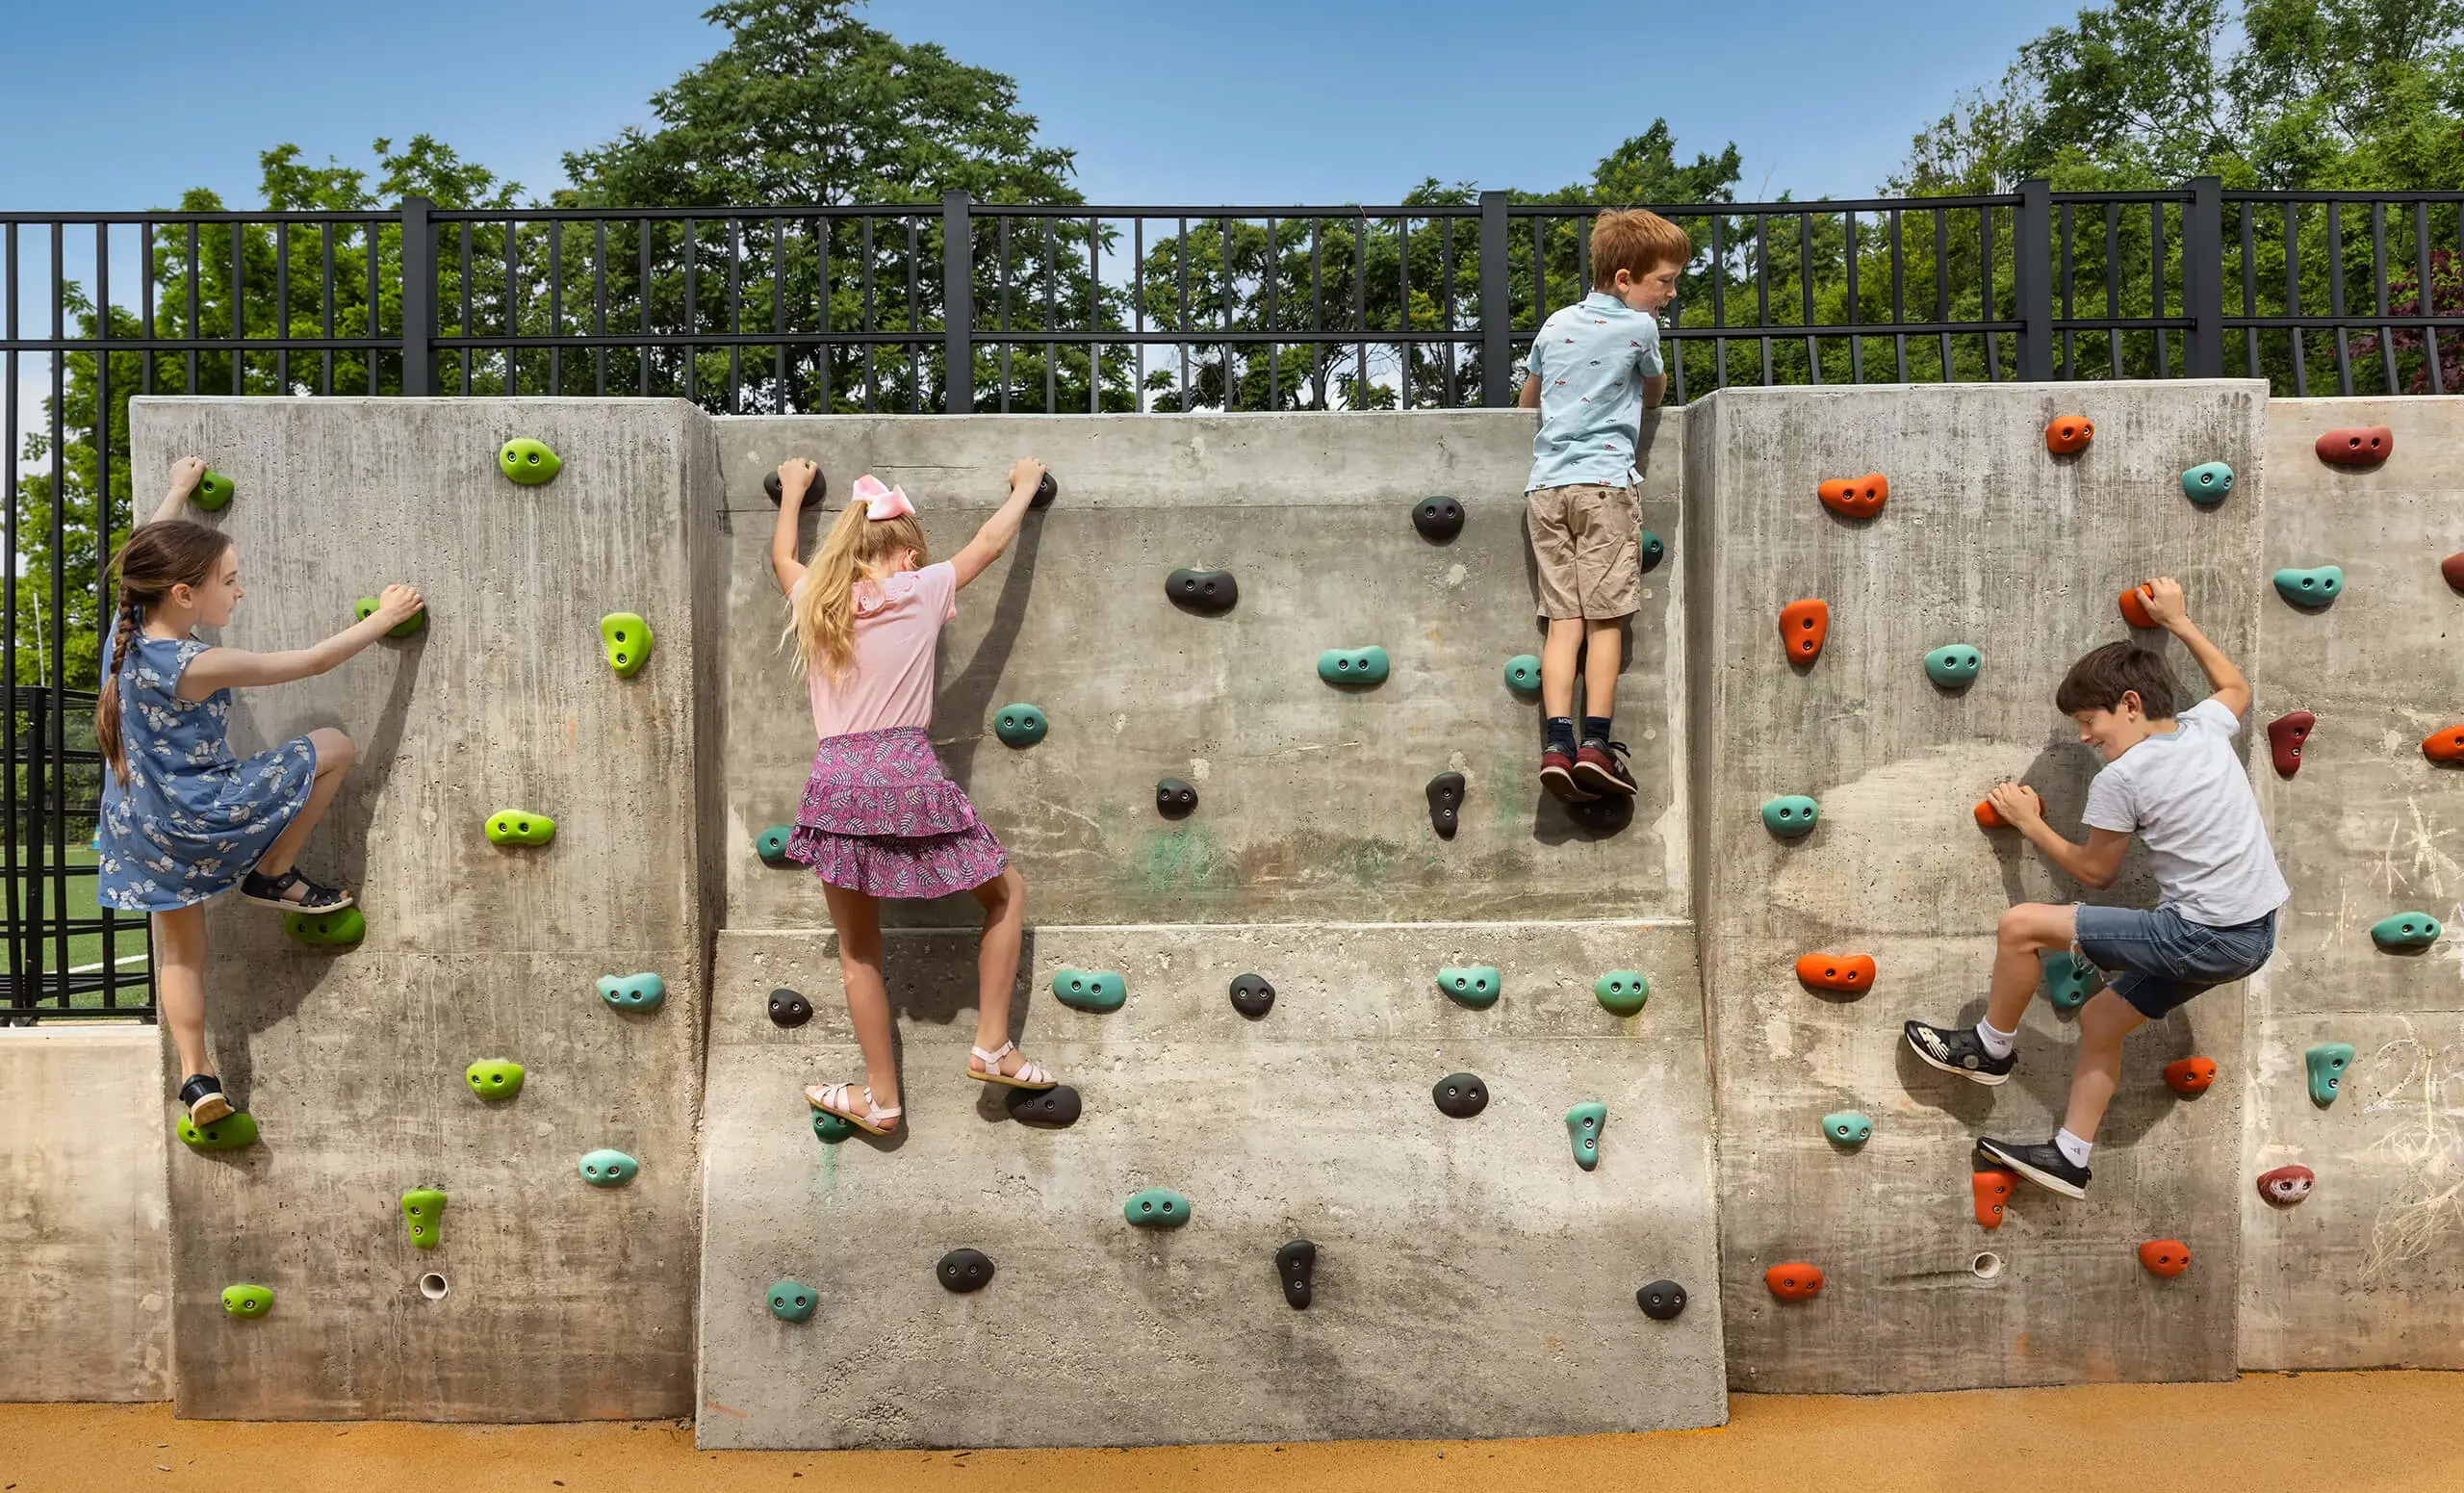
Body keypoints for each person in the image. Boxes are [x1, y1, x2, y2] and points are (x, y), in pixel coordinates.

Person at [1903, 578, 2287, 1197]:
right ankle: (2070, 1156)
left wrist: (2030, 825)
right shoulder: (2202, 731)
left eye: (2090, 721)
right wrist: (2181, 622)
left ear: (2130, 704)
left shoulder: (2124, 776)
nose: (2084, 736)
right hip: (2256, 933)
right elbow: (2235, 688)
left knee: (2021, 926)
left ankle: (1990, 1048)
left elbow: (2094, 873)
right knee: (2104, 1015)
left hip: (2202, 932)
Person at [95, 456, 423, 1125]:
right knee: (333, 747)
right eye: (230, 580)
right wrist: (386, 616)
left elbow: (141, 554)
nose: (238, 593)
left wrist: (178, 494)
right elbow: (312, 662)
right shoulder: (198, 663)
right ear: (183, 594)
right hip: (201, 815)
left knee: (181, 952)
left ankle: (197, 1079)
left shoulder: (123, 636)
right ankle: (273, 872)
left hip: (140, 828)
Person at [769, 457, 1058, 1137]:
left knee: (858, 950)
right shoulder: (922, 589)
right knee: (1005, 893)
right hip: (905, 770)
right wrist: (1020, 490)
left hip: (836, 781)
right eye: (916, 554)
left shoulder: (816, 597)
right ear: (904, 554)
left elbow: (782, 553)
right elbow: (988, 543)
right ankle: (992, 1044)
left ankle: (881, 1100)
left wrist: (790, 493)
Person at [1516, 206, 1689, 802]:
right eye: (1663, 281)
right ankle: (1597, 743)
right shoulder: (1641, 330)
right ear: (1624, 279)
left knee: (1562, 623)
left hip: (1545, 490)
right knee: (1606, 619)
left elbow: (1527, 399)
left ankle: (1556, 746)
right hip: (1603, 489)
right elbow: (1655, 389)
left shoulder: (1553, 323)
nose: (1668, 293)